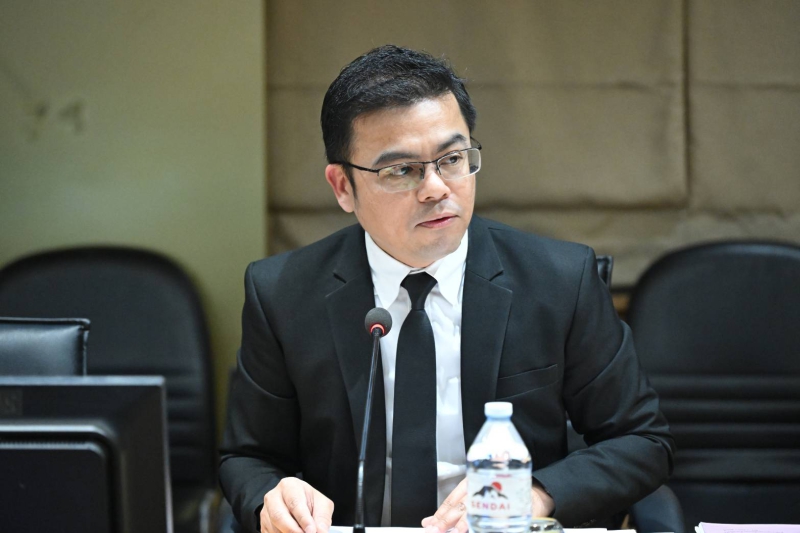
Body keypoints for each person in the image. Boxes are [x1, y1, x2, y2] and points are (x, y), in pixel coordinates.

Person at [220, 45, 674, 533]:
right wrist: (273, 497)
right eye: (401, 170)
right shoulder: (283, 294)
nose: (436, 188)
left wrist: (535, 495)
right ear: (343, 187)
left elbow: (642, 441)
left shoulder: (559, 280)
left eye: (452, 159)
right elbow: (248, 457)